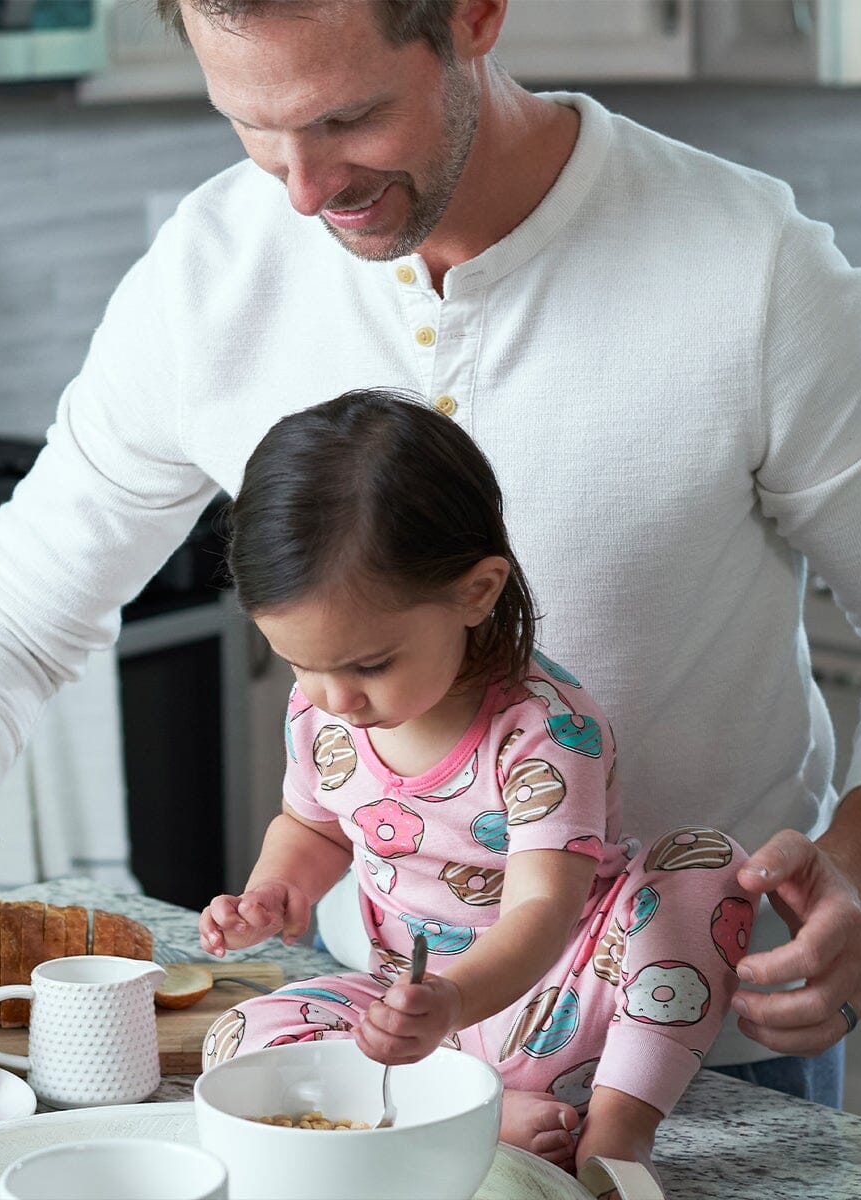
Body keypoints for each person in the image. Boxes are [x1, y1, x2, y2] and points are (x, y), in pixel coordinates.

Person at [0, 0, 861, 1128]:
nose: (303, 190)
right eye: (251, 128)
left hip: (703, 1049)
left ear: (476, 18)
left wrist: (857, 871)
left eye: (349, 119)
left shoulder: (744, 263)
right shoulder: (211, 272)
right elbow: (17, 604)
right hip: (375, 1029)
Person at [198, 388, 752, 1178]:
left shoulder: (544, 731)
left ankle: (619, 1131)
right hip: (409, 1011)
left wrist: (455, 1004)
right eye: (300, 662)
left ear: (477, 591)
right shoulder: (319, 711)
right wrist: (274, 891)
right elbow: (314, 827)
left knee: (706, 864)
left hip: (555, 999)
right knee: (237, 1036)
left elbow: (543, 910)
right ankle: (475, 1108)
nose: (334, 698)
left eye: (368, 665)